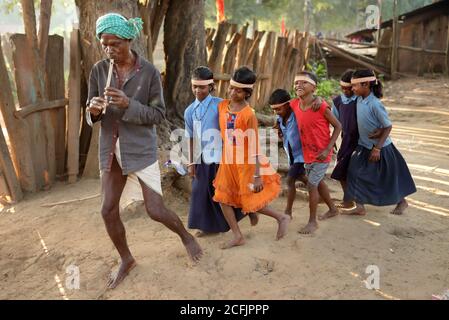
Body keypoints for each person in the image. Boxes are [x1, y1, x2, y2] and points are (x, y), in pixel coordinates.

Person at [86, 13, 202, 289]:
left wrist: (128, 104)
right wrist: (93, 111)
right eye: (105, 44)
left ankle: (186, 237)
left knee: (155, 210)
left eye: (115, 43)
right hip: (110, 150)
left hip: (139, 150)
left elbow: (158, 114)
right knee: (107, 210)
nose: (109, 50)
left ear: (128, 40)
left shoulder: (148, 72)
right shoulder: (99, 70)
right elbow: (90, 112)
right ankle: (127, 259)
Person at [212, 67, 291, 249]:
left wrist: (257, 175)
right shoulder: (222, 105)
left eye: (238, 90)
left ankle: (281, 217)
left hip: (247, 164)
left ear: (247, 92)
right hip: (228, 161)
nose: (232, 92)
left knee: (250, 201)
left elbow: (255, 146)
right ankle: (237, 235)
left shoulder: (249, 115)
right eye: (231, 88)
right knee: (222, 197)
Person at [184, 66, 253, 237]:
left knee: (221, 193)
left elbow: (240, 111)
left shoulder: (221, 105)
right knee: (201, 192)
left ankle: (247, 212)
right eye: (195, 86)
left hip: (221, 156)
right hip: (201, 158)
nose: (198, 90)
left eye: (202, 87)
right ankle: (207, 226)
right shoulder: (189, 111)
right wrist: (191, 162)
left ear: (211, 86)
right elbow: (190, 137)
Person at [342, 69, 416, 216]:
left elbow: (388, 126)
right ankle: (360, 206)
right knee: (354, 172)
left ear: (366, 84)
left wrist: (377, 148)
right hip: (363, 145)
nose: (353, 89)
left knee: (386, 177)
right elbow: (342, 100)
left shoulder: (374, 104)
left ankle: (402, 201)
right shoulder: (358, 99)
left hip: (380, 147)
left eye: (355, 86)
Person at [290, 71, 342, 234]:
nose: (299, 85)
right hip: (306, 153)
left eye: (304, 82)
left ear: (314, 87)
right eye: (296, 82)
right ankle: (333, 209)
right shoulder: (293, 104)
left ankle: (312, 222)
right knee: (318, 182)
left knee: (312, 184)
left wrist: (328, 148)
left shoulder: (321, 106)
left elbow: (338, 126)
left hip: (322, 154)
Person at [269, 89, 308, 218]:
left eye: (279, 109)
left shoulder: (298, 115)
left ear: (287, 104)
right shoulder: (280, 119)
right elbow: (280, 130)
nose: (276, 112)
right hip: (291, 155)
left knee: (290, 180)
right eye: (274, 110)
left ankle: (288, 212)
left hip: (302, 155)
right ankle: (323, 197)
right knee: (304, 178)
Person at [330, 70, 359, 209]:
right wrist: (331, 142)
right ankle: (348, 200)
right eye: (343, 88)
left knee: (372, 173)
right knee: (341, 170)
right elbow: (335, 123)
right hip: (346, 141)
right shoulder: (337, 101)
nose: (346, 91)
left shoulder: (361, 100)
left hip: (362, 142)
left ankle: (400, 200)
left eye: (349, 88)